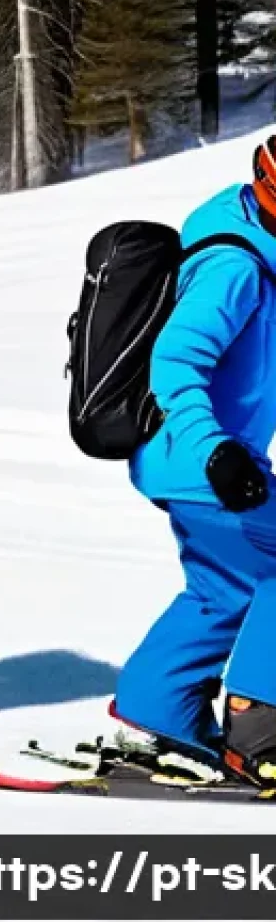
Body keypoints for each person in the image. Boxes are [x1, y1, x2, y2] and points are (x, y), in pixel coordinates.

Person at [114, 134, 276, 786]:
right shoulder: (234, 266)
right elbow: (175, 360)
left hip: (195, 459)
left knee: (224, 586)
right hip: (199, 457)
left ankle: (160, 709)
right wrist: (214, 450)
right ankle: (260, 734)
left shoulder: (255, 250)